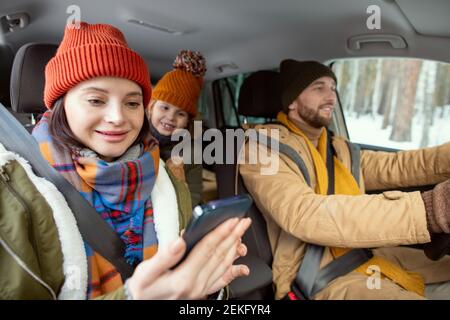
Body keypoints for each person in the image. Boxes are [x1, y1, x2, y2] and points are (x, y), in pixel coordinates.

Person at [0, 22, 251, 300]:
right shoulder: (12, 190)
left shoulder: (166, 180)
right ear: (61, 104)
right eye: (96, 100)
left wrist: (204, 284)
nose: (117, 117)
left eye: (132, 103)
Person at [239, 59, 450, 300]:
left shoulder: (338, 148)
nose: (330, 96)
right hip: (318, 277)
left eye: (333, 88)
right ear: (293, 102)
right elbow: (305, 214)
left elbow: (399, 166)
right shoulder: (261, 149)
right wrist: (433, 210)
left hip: (364, 252)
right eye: (319, 87)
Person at [147, 50, 205, 208]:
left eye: (180, 113)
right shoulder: (133, 137)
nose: (171, 117)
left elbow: (194, 195)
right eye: (164, 107)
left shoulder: (191, 153)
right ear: (151, 107)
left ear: (187, 122)